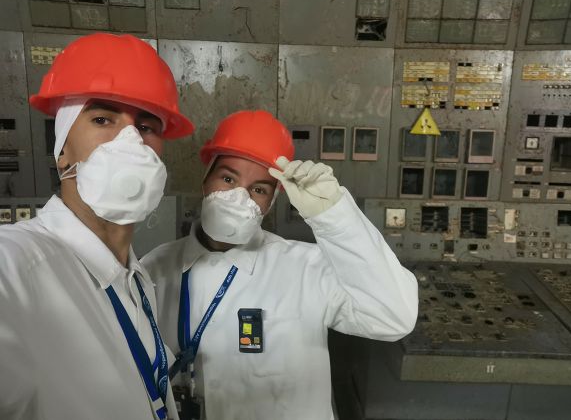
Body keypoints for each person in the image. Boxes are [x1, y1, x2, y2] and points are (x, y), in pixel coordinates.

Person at [142, 110, 418, 420]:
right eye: (228, 178)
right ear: (205, 180)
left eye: (258, 189)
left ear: (270, 203)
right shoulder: (154, 270)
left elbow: (394, 316)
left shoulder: (306, 268)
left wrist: (334, 215)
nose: (238, 197)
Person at [0, 33, 194, 420]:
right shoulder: (18, 266)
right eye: (103, 119)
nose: (130, 141)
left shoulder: (135, 278)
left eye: (146, 127)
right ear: (62, 151)